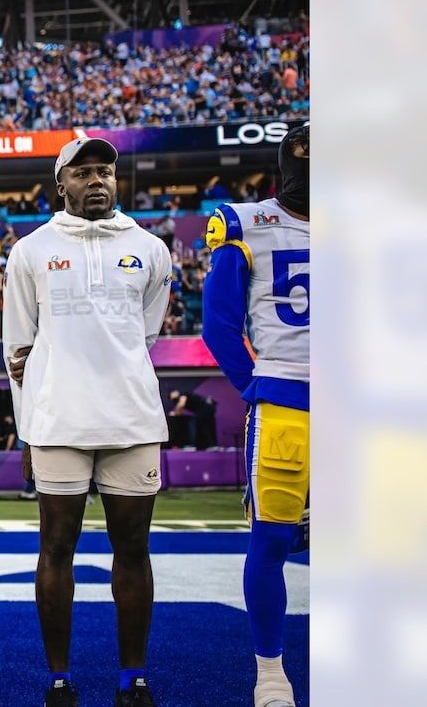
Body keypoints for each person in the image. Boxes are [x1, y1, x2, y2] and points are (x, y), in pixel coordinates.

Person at [3, 137, 173, 707]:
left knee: (134, 549)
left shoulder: (150, 248)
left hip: (131, 418)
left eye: (105, 171)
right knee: (56, 547)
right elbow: (18, 348)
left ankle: (133, 679)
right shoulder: (31, 250)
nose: (97, 179)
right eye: (83, 172)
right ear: (61, 185)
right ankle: (59, 680)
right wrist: (28, 429)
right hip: (58, 421)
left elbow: (143, 336)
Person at [202, 124, 309, 707]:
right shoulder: (245, 223)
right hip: (286, 402)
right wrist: (258, 387)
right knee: (270, 540)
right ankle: (271, 673)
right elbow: (219, 327)